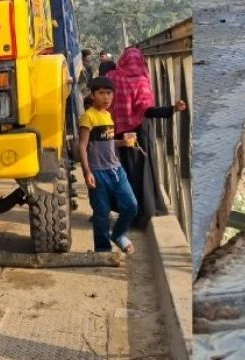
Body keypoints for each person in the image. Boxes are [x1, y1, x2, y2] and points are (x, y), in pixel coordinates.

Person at [107, 47, 187, 228]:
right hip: (141, 131)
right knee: (143, 170)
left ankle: (125, 210)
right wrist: (171, 109)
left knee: (123, 170)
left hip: (119, 131)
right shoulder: (142, 80)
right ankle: (146, 211)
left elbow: (104, 100)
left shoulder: (113, 77)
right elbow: (147, 110)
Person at [78, 76, 138, 254]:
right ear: (92, 94)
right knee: (101, 214)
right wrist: (87, 172)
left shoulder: (107, 115)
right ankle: (103, 250)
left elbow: (108, 142)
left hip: (116, 170)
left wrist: (123, 141)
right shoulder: (88, 117)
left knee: (131, 205)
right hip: (98, 172)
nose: (106, 98)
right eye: (101, 93)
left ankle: (118, 235)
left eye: (109, 93)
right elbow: (82, 146)